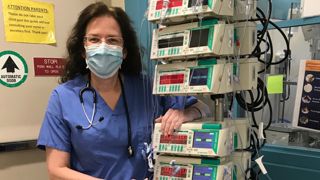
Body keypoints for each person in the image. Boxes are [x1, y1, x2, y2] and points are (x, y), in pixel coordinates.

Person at [37, 2, 209, 180]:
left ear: (124, 51)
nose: (103, 47)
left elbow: (203, 107)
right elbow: (56, 170)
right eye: (94, 39)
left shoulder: (147, 88)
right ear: (83, 50)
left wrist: (186, 113)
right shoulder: (63, 97)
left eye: (112, 40)